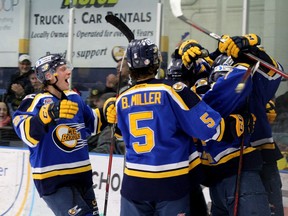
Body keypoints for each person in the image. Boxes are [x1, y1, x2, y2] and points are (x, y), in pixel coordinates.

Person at [105, 38, 248, 216]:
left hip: (134, 184)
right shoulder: (173, 90)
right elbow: (207, 127)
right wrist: (236, 125)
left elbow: (119, 135)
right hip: (170, 183)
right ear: (156, 62)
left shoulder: (121, 99)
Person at [180, 34, 283, 215]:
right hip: (226, 174)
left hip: (258, 164)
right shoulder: (208, 90)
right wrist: (188, 56)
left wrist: (253, 52)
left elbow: (274, 72)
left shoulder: (250, 81)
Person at [12, 54, 113, 216]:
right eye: (63, 69)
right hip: (54, 179)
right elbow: (24, 132)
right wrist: (45, 115)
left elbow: (93, 123)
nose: (68, 73)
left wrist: (107, 112)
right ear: (49, 76)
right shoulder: (34, 101)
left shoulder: (74, 98)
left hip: (82, 176)